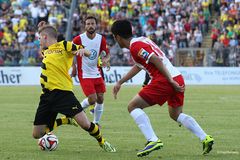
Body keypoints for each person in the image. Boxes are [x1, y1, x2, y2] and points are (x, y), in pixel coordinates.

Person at [111, 19, 214, 157]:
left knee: (132, 106)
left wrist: (170, 81)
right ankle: (205, 137)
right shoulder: (141, 41)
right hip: (177, 77)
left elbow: (156, 60)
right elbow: (139, 66)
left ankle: (152, 140)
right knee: (175, 114)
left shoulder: (136, 47)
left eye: (113, 37)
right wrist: (120, 82)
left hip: (165, 80)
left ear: (117, 36)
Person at [32, 21, 116, 153]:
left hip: (63, 94)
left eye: (39, 38)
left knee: (85, 124)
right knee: (37, 134)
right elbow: (46, 39)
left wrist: (83, 50)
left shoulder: (64, 45)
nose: (39, 41)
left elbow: (87, 52)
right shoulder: (45, 51)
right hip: (46, 97)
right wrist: (41, 28)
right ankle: (66, 120)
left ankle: (102, 141)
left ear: (45, 37)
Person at [71, 16, 110, 126]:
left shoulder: (101, 38)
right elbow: (70, 53)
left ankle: (96, 122)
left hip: (96, 72)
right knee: (92, 99)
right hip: (84, 73)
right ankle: (76, 111)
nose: (90, 25)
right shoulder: (78, 39)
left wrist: (106, 60)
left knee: (101, 98)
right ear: (85, 26)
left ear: (96, 25)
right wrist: (74, 67)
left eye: (92, 23)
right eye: (88, 24)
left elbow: (106, 53)